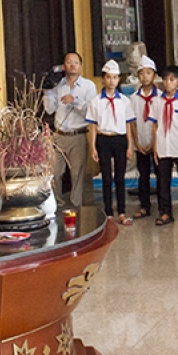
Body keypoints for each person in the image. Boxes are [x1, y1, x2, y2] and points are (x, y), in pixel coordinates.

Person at [44, 51, 98, 208]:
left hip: (78, 135)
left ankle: (76, 207)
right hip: (59, 135)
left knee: (77, 174)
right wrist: (47, 91)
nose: (72, 65)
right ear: (64, 66)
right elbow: (49, 110)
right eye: (69, 62)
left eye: (76, 62)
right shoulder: (58, 85)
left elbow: (92, 110)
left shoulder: (89, 86)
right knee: (55, 172)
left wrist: (75, 101)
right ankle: (57, 205)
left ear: (80, 66)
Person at [86, 59, 134, 226]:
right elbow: (92, 126)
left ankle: (121, 211)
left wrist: (130, 145)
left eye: (115, 78)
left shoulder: (125, 101)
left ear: (119, 79)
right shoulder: (96, 101)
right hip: (103, 139)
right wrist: (93, 147)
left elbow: (128, 125)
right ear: (103, 79)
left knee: (120, 177)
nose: (111, 81)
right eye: (108, 77)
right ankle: (108, 212)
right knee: (107, 177)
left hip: (119, 139)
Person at [148, 65, 178, 226]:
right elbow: (154, 126)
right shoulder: (156, 102)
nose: (168, 82)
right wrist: (155, 148)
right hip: (162, 147)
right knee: (163, 182)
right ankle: (165, 212)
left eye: (172, 79)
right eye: (165, 79)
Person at [128, 57, 159, 219]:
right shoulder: (133, 98)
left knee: (161, 175)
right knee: (143, 175)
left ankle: (163, 206)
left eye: (148, 73)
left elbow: (161, 122)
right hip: (140, 143)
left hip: (158, 144)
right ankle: (144, 205)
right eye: (141, 73)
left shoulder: (160, 96)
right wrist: (136, 143)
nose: (145, 76)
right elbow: (132, 122)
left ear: (154, 75)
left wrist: (155, 143)